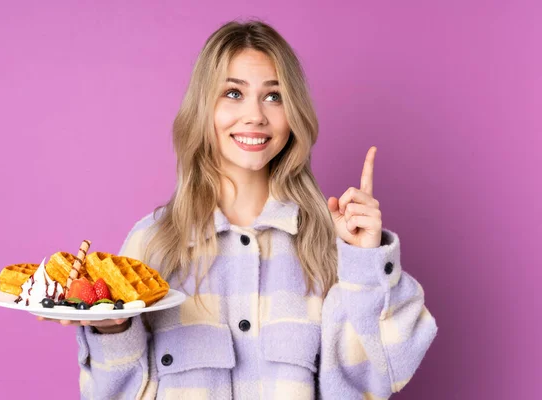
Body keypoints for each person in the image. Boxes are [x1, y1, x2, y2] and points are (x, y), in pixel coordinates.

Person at [45, 20, 438, 399]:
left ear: (293, 114)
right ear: (204, 108)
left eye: (274, 95)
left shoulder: (329, 244)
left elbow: (379, 376)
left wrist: (364, 261)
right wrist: (113, 332)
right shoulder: (152, 245)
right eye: (233, 93)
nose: (255, 115)